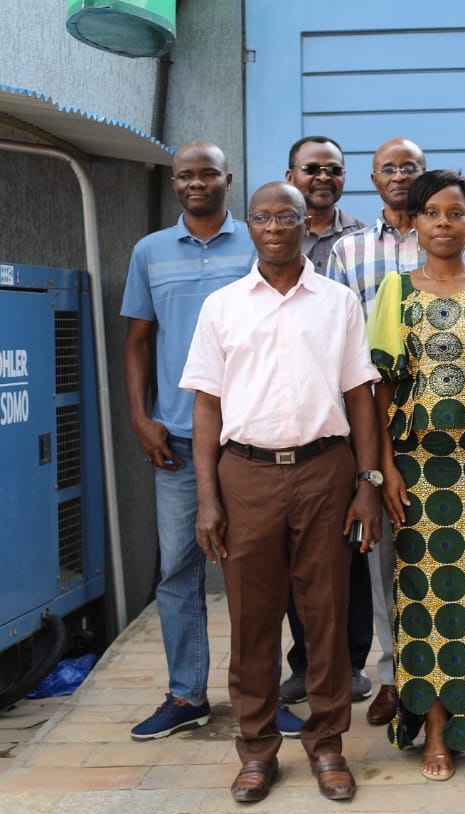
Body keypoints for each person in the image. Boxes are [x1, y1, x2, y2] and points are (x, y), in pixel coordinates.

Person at [181, 182, 383, 803]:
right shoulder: (221, 306)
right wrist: (209, 498)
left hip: (326, 471)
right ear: (249, 225)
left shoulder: (338, 302)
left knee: (325, 613)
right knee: (252, 618)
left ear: (306, 223)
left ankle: (326, 744)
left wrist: (368, 482)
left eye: (287, 217)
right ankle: (257, 748)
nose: (275, 227)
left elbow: (360, 397)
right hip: (246, 476)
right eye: (264, 217)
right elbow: (207, 410)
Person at [368, 170, 465, 782]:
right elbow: (381, 387)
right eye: (429, 212)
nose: (442, 222)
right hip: (417, 472)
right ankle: (434, 728)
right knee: (423, 601)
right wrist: (384, 468)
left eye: (454, 212)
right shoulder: (393, 291)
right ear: (412, 222)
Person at [325, 137, 465, 727]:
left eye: (409, 167)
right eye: (389, 167)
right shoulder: (349, 250)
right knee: (384, 552)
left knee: (437, 559)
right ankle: (394, 673)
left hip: (453, 435)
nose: (399, 175)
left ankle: (441, 674)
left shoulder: (453, 238)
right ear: (373, 177)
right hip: (372, 419)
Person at [121, 141, 254, 740]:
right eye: (184, 176)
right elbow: (138, 342)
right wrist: (140, 417)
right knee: (178, 569)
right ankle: (185, 694)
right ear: (173, 183)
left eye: (207, 173)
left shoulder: (259, 242)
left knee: (260, 572)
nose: (195, 183)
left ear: (229, 178)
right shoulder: (150, 251)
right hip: (174, 435)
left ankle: (261, 694)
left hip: (250, 436)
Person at [281, 134, 376, 710]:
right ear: (290, 174)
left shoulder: (359, 240)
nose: (322, 176)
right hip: (288, 417)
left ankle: (352, 659)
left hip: (343, 416)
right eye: (311, 168)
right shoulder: (270, 236)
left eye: (333, 169)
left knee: (345, 550)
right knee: (294, 558)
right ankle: (303, 662)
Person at [286, 135, 367, 267]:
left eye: (335, 170)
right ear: (290, 177)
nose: (324, 178)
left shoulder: (363, 236)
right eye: (312, 169)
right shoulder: (276, 235)